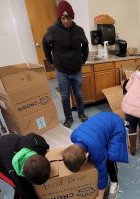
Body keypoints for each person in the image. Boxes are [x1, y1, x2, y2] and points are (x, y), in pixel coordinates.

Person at [61, 112, 129, 199]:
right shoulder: (74, 135)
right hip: (101, 118)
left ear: (87, 155)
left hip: (115, 125)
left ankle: (114, 182)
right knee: (102, 148)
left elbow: (103, 173)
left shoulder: (96, 151)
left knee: (110, 159)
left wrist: (100, 196)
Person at [42, 0, 89, 128]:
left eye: (68, 18)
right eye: (63, 18)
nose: (66, 21)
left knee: (78, 93)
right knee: (64, 96)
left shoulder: (79, 30)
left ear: (72, 17)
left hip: (76, 70)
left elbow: (85, 44)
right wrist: (50, 61)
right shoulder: (52, 30)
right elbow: (45, 44)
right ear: (59, 17)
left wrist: (83, 59)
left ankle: (81, 113)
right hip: (62, 71)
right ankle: (68, 118)